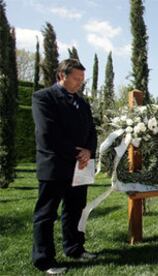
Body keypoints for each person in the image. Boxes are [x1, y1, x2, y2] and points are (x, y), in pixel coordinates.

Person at [31, 59, 97, 274]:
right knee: (46, 214)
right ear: (62, 76)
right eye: (76, 79)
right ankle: (45, 260)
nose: (80, 83)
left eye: (82, 80)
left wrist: (89, 151)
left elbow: (91, 131)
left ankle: (75, 248)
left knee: (75, 209)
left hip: (81, 166)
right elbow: (47, 134)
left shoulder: (82, 102)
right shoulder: (43, 98)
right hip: (55, 165)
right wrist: (78, 153)